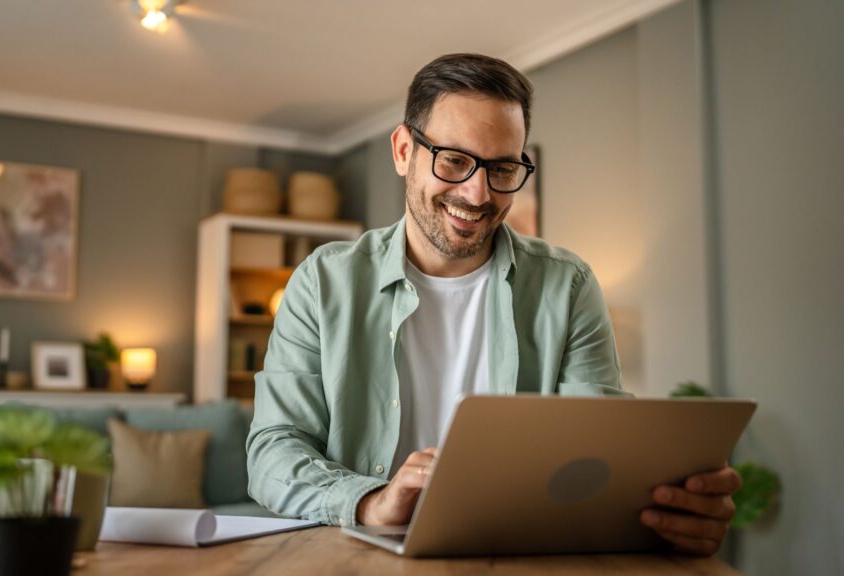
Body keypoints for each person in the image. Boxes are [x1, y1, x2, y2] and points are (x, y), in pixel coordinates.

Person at [246, 53, 740, 556]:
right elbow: (274, 450)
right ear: (402, 151)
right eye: (455, 160)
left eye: (502, 167)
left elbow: (595, 458)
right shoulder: (323, 281)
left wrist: (667, 513)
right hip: (358, 560)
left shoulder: (567, 286)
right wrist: (373, 501)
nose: (477, 193)